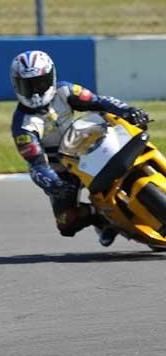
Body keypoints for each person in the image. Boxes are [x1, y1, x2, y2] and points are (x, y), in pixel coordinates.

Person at [10, 50, 149, 246]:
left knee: (133, 135)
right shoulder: (22, 125)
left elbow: (98, 102)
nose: (34, 91)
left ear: (51, 77)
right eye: (28, 85)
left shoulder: (66, 91)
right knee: (66, 223)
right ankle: (102, 218)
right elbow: (36, 164)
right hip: (63, 170)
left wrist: (128, 110)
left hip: (91, 147)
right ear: (17, 85)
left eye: (39, 83)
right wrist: (55, 185)